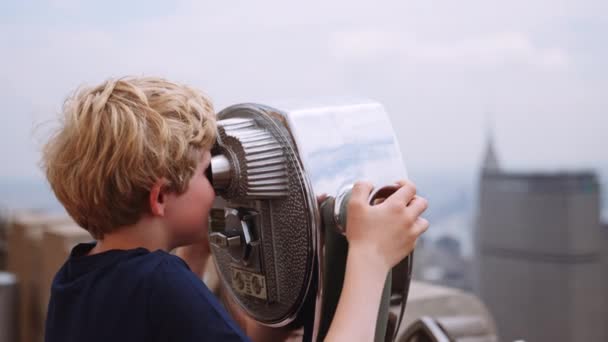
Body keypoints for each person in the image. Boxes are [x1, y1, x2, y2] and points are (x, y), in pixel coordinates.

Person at [41, 77, 429, 342]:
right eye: (207, 173)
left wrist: (197, 253)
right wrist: (370, 256)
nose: (221, 188)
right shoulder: (161, 283)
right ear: (160, 199)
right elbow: (164, 302)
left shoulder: (75, 278)